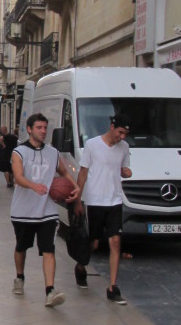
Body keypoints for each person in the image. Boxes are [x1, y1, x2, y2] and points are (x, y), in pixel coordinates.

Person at [11, 112, 79, 307]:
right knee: (21, 247)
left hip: (47, 211)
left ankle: (50, 291)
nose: (43, 131)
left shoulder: (53, 152)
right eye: (39, 128)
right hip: (23, 211)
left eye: (45, 128)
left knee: (49, 249)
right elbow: (18, 176)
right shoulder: (19, 152)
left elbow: (64, 172)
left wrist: (75, 188)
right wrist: (34, 186)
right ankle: (19, 277)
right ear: (30, 129)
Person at [75, 112, 132, 305]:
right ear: (112, 127)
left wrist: (127, 172)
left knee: (115, 241)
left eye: (125, 134)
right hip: (95, 200)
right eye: (120, 132)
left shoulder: (124, 148)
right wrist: (78, 200)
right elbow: (83, 173)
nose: (122, 137)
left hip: (115, 199)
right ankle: (81, 266)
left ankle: (112, 287)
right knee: (94, 243)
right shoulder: (92, 145)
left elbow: (125, 170)